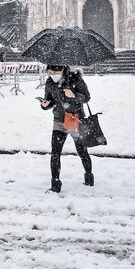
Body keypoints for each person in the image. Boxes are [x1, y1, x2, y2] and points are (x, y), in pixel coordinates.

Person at [38, 64, 93, 192]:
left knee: (82, 150)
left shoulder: (75, 78)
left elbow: (87, 97)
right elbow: (49, 100)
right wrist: (45, 104)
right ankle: (55, 184)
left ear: (62, 69)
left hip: (75, 119)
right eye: (50, 72)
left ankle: (89, 177)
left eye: (54, 72)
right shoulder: (50, 82)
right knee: (55, 153)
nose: (52, 75)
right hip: (59, 121)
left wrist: (74, 95)